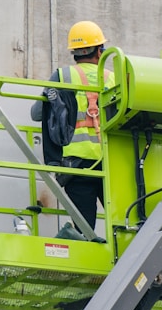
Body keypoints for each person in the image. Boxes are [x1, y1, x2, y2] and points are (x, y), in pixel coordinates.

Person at [32, 20, 109, 239]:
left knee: (84, 228)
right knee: (123, 222)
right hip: (111, 164)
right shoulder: (113, 78)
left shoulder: (63, 76)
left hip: (76, 165)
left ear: (74, 52)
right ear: (100, 50)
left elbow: (37, 113)